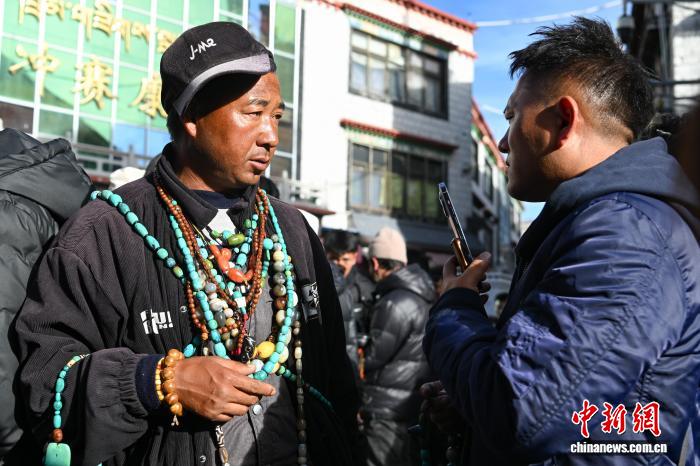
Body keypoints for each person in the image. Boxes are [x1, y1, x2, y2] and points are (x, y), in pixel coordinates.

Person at [10, 22, 359, 466]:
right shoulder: (106, 232)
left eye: (276, 117)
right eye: (253, 113)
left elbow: (337, 383)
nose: (271, 136)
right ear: (192, 117)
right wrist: (156, 381)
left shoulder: (292, 229)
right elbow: (46, 388)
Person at [421, 17, 700, 465]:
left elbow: (519, 411)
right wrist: (468, 407)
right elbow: (573, 407)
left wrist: (455, 307)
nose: (503, 143)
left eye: (512, 117)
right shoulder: (601, 223)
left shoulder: (624, 235)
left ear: (564, 120)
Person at [0, 129, 91, 459]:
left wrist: (9, 438)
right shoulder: (76, 211)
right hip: (50, 417)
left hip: (17, 433)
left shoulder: (9, 213)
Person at [362, 227, 434, 466]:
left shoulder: (393, 302)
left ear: (375, 263)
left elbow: (372, 356)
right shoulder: (422, 294)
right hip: (410, 403)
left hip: (386, 407)